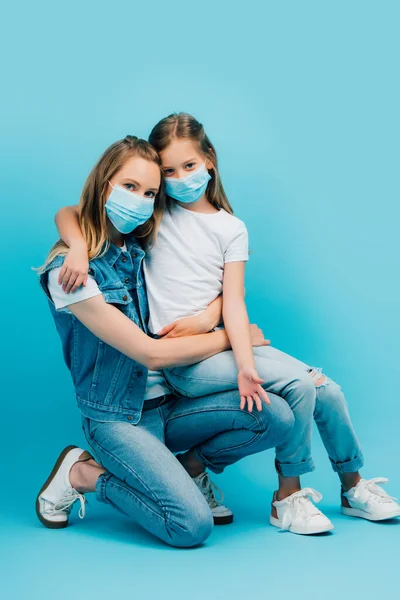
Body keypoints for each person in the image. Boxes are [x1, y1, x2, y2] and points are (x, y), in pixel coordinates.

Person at [54, 114, 400, 535]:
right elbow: (74, 211)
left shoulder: (196, 225)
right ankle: (287, 496)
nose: (172, 182)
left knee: (312, 398)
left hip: (179, 389)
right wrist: (75, 247)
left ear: (209, 161)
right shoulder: (148, 222)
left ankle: (350, 485)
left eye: (152, 188)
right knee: (300, 389)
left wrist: (208, 320)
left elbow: (230, 296)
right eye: (164, 174)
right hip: (140, 398)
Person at [36, 135, 295, 547]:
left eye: (150, 192)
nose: (140, 200)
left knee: (276, 415)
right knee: (191, 527)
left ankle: (188, 468)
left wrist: (210, 317)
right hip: (117, 420)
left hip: (169, 406)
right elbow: (149, 352)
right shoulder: (69, 276)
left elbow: (67, 212)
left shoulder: (138, 243)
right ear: (104, 184)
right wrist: (230, 337)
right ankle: (81, 473)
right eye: (129, 187)